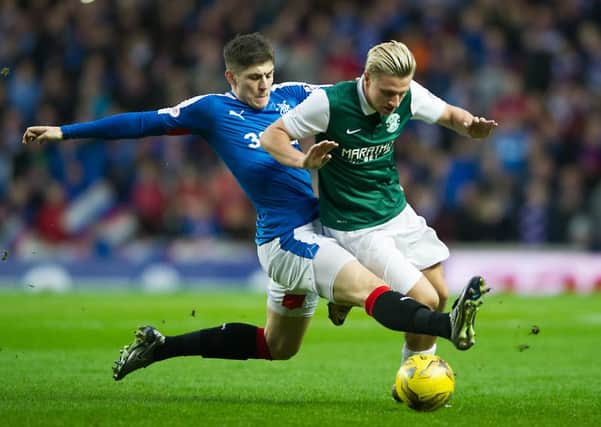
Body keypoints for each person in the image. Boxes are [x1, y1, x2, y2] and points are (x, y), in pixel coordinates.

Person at [22, 34, 486, 382]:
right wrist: (66, 131)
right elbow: (144, 122)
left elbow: (351, 95)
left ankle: (160, 347)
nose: (264, 86)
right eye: (252, 79)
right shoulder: (211, 110)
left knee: (277, 347)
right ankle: (443, 324)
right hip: (288, 239)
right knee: (372, 287)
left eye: (268, 74)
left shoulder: (294, 94)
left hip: (324, 226)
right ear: (231, 78)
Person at [261, 40, 497, 365]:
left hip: (396, 211)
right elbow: (271, 136)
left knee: (441, 294)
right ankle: (416, 376)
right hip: (355, 226)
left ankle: (406, 363)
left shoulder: (407, 94)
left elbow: (451, 115)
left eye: (400, 93)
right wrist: (302, 161)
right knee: (425, 300)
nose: (395, 101)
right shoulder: (329, 104)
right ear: (367, 78)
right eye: (388, 93)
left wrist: (471, 127)